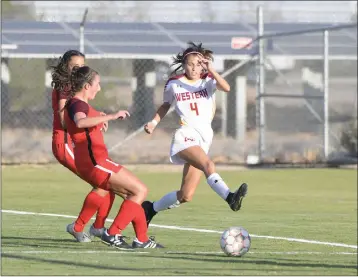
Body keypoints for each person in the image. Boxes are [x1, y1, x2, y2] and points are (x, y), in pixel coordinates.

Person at [142, 42, 248, 226]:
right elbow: (166, 105)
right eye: (190, 64)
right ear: (184, 64)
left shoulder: (208, 80)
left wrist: (211, 69)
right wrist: (153, 123)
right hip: (185, 135)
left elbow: (227, 87)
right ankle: (230, 197)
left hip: (203, 137)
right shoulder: (174, 83)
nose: (194, 68)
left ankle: (150, 209)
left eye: (198, 64)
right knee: (208, 164)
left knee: (186, 195)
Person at [64, 65, 163, 249]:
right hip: (96, 162)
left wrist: (97, 116)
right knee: (140, 191)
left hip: (90, 161)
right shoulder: (78, 104)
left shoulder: (78, 104)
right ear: (86, 86)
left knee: (130, 194)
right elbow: (80, 121)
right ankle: (112, 233)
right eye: (97, 84)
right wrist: (110, 116)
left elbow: (79, 120)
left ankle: (141, 238)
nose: (99, 88)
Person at [51, 50, 115, 243]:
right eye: (74, 66)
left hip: (75, 143)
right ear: (65, 66)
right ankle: (79, 227)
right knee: (103, 183)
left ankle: (97, 227)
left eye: (81, 66)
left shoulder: (74, 88)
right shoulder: (65, 87)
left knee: (108, 183)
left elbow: (81, 110)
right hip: (66, 143)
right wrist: (93, 120)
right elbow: (65, 121)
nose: (78, 69)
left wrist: (96, 116)